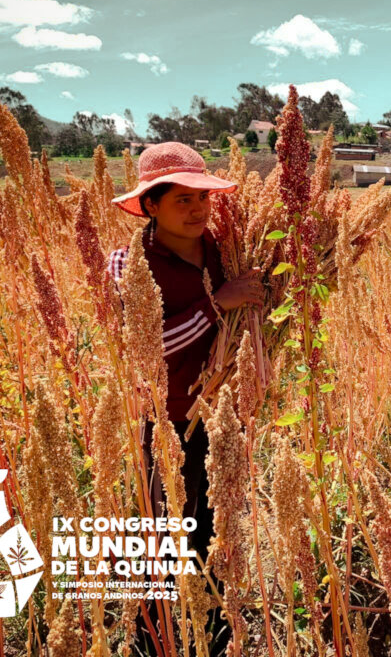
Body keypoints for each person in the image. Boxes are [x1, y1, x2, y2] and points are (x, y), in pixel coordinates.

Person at [108, 141, 265, 655]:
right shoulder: (128, 264)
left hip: (220, 416)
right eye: (183, 201)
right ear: (150, 204)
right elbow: (145, 347)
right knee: (161, 530)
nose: (199, 210)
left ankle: (213, 630)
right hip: (164, 418)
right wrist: (217, 303)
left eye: (204, 199)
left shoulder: (226, 249)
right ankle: (152, 636)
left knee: (214, 524)